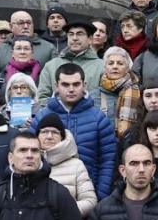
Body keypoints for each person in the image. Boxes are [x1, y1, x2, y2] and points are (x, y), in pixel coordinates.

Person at [34, 65, 118, 200]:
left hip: (89, 196)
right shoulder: (41, 117)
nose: (71, 89)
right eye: (65, 84)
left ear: (84, 85)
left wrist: (101, 196)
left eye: (76, 84)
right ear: (56, 86)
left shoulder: (99, 118)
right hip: (44, 197)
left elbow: (108, 161)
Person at [40, 18, 104, 96]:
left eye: (80, 34)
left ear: (90, 39)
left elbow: (104, 99)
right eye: (71, 34)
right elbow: (42, 98)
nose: (74, 38)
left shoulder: (102, 67)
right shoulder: (51, 66)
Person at [93, 46, 144, 141]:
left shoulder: (141, 92)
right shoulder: (94, 96)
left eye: (120, 63)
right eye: (111, 63)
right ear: (105, 67)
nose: (115, 66)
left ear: (127, 68)